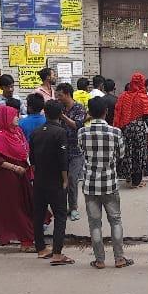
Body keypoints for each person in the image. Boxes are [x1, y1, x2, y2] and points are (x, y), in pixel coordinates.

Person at [79, 97, 132, 269]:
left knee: (95, 223)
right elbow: (121, 154)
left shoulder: (82, 132)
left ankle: (100, 260)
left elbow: (82, 153)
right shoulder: (115, 132)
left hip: (90, 184)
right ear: (106, 112)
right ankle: (119, 258)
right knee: (115, 220)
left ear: (89, 112)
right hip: (109, 183)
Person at [0, 105, 36, 252]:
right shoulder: (0, 136)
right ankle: (26, 241)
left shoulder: (17, 133)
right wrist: (15, 168)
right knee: (15, 208)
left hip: (21, 176)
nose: (18, 118)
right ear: (6, 118)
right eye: (14, 116)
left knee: (8, 208)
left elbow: (24, 152)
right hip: (7, 178)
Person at [30, 101, 73, 264]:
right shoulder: (60, 132)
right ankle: (57, 253)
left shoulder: (35, 132)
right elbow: (63, 160)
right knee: (60, 215)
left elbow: (32, 160)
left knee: (38, 215)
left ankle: (40, 248)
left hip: (39, 179)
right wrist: (65, 180)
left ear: (45, 113)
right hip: (55, 180)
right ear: (60, 114)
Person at [113, 73, 148, 188]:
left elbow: (118, 114)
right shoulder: (143, 97)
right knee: (139, 153)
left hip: (126, 129)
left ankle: (128, 178)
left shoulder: (123, 96)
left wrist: (118, 128)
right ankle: (137, 181)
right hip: (139, 129)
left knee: (128, 153)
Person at [55, 82, 88, 221]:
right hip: (61, 150)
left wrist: (62, 116)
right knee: (61, 181)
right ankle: (62, 207)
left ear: (67, 94)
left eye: (60, 95)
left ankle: (73, 208)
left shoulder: (79, 108)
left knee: (73, 179)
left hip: (76, 151)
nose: (58, 98)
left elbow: (77, 125)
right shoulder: (59, 107)